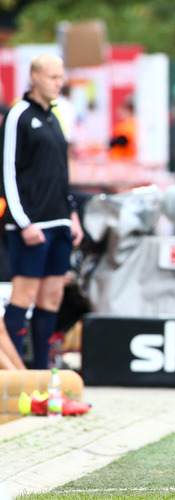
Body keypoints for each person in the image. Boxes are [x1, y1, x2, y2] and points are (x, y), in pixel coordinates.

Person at [0, 54, 84, 370]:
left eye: (61, 78)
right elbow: (7, 171)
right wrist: (22, 222)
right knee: (24, 295)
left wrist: (72, 213)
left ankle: (41, 371)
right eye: (53, 77)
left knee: (52, 297)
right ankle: (15, 370)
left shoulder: (56, 116)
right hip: (32, 224)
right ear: (35, 77)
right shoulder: (18, 114)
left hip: (59, 219)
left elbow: (60, 171)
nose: (58, 84)